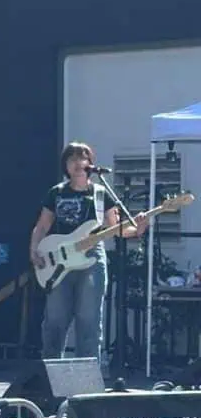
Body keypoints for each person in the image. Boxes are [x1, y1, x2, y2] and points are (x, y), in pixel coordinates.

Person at [30, 141, 147, 360]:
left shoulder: (101, 194)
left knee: (89, 320)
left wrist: (138, 227)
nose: (77, 163)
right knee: (55, 319)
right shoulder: (56, 193)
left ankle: (88, 380)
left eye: (82, 158)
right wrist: (34, 249)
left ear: (90, 164)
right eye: (72, 158)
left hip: (91, 259)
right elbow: (42, 225)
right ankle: (49, 378)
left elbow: (117, 229)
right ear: (65, 165)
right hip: (59, 260)